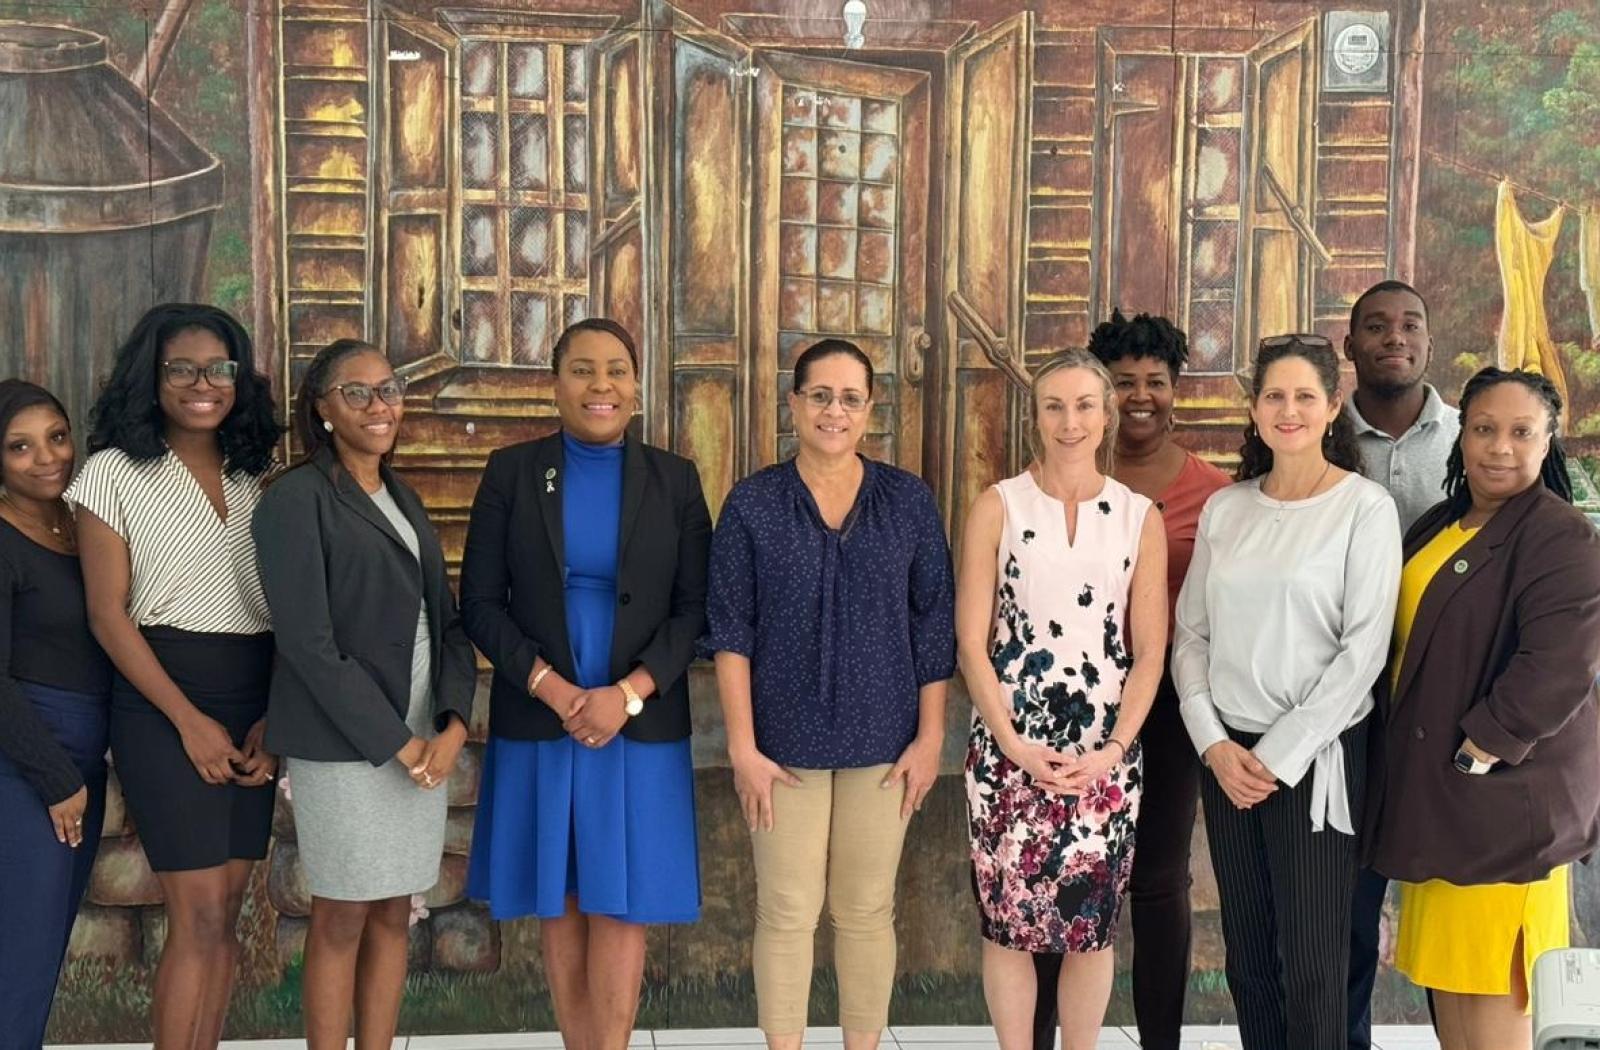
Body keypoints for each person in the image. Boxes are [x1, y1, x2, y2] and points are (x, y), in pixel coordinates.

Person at [463, 318, 710, 1050]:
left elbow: (696, 608)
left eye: (616, 370)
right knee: (562, 894)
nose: (600, 385)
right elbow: (478, 602)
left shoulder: (676, 479)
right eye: (581, 369)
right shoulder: (512, 472)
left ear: (636, 386)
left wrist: (627, 693)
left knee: (621, 898)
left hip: (638, 717)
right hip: (546, 714)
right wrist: (552, 687)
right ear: (555, 383)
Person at [704, 338, 955, 1050]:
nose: (834, 410)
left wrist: (931, 737)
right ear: (793, 403)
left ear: (870, 408)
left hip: (886, 743)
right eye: (820, 395)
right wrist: (743, 747)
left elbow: (933, 622)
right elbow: (730, 633)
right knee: (786, 911)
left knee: (866, 910)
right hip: (781, 748)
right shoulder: (753, 504)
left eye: (849, 397)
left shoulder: (907, 501)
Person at [1172, 335, 1401, 1050]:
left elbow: (1362, 651)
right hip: (1228, 761)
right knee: (1251, 958)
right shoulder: (1228, 509)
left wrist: (1278, 754)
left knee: (1312, 964)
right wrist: (1213, 742)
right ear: (1254, 408)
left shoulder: (1363, 509)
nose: (1289, 409)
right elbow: (1191, 638)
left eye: (1306, 395)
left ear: (1334, 406)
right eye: (1275, 395)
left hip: (1315, 758)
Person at [66, 303, 281, 1049]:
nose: (202, 383)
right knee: (193, 915)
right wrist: (188, 721)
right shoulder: (111, 472)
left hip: (254, 696)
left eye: (220, 368)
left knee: (226, 910)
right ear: (150, 377)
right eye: (181, 368)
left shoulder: (257, 476)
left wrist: (272, 722)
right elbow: (107, 615)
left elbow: (288, 611)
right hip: (164, 698)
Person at [1365, 368, 1600, 1050]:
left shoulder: (1559, 536)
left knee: (1498, 1007)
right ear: (1460, 436)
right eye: (1484, 429)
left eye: (1521, 432)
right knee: (1456, 1002)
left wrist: (1481, 749)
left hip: (1500, 812)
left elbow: (1560, 664)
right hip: (1441, 809)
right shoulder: (1447, 522)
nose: (1500, 447)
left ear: (1548, 439)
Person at [254, 339, 475, 1050]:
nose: (380, 406)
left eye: (390, 390)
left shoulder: (401, 495)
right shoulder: (296, 500)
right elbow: (309, 646)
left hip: (421, 738)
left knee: (392, 913)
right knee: (343, 915)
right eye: (358, 392)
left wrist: (449, 726)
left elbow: (445, 624)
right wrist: (399, 742)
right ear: (321, 408)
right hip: (346, 742)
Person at [1028, 313, 1230, 1050]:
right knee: (1058, 878)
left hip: (1170, 707)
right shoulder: (1069, 478)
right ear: (1102, 398)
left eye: (1157, 382)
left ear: (1176, 390)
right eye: (1124, 383)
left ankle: (1160, 1042)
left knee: (1158, 879)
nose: (1141, 396)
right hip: (1069, 708)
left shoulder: (1214, 493)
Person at [959, 349, 1167, 1050]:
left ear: (1106, 415)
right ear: (1036, 415)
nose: (1070, 421)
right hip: (1008, 746)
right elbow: (971, 643)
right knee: (1009, 922)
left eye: (1084, 405)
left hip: (1104, 755)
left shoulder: (1139, 517)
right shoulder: (999, 505)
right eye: (1055, 406)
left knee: (1091, 926)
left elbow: (1148, 654)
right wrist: (1012, 742)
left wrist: (1112, 751)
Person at [1340, 279, 1458, 1049]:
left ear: (1428, 341)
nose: (1394, 337)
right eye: (1375, 327)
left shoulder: (1469, 435)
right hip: (1349, 708)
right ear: (1350, 348)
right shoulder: (1318, 435)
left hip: (1451, 706)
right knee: (1348, 902)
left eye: (1409, 324)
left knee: (1458, 905)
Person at [0, 381, 113, 1048]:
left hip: (80, 767)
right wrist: (55, 780)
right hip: (27, 769)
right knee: (22, 960)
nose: (47, 457)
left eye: (58, 437)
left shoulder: (80, 524)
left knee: (42, 956)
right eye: (20, 447)